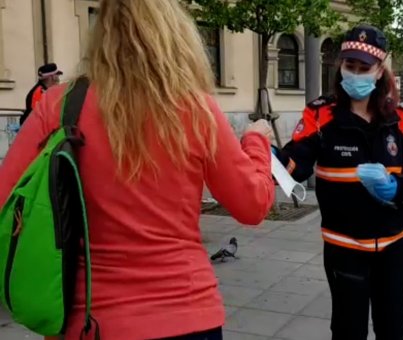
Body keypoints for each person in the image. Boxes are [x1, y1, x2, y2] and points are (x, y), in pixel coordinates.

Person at [0, 1, 275, 339]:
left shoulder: (59, 105)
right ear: (175, 34)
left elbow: (7, 203)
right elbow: (253, 205)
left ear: (101, 33)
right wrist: (256, 142)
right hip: (187, 315)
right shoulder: (194, 108)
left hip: (89, 320)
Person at [272, 24, 403, 340]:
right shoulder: (321, 115)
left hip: (395, 245)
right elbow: (297, 164)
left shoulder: (400, 117)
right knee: (347, 332)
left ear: (380, 70)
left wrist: (397, 189)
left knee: (394, 330)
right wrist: (270, 157)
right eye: (349, 66)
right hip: (345, 248)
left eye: (363, 68)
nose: (355, 74)